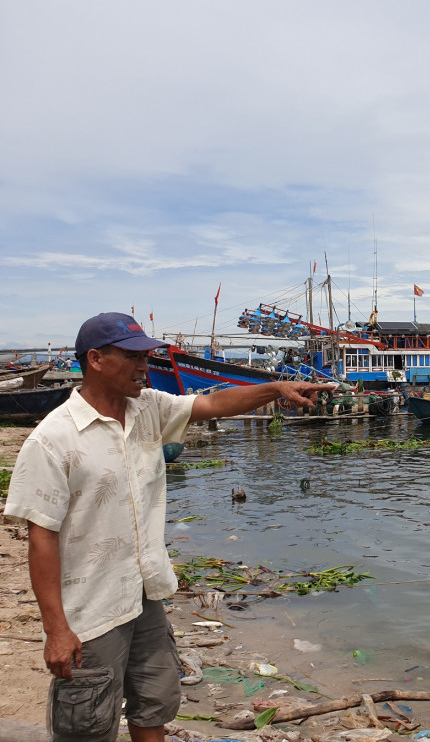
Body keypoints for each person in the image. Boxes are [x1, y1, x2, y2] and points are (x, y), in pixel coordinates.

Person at [3, 312, 328, 742]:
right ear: (96, 359)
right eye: (133, 356)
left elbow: (212, 404)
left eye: (147, 355)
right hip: (90, 612)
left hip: (146, 594)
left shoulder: (149, 409)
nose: (144, 365)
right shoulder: (53, 439)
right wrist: (57, 630)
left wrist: (274, 388)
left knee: (154, 703)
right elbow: (40, 538)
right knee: (87, 724)